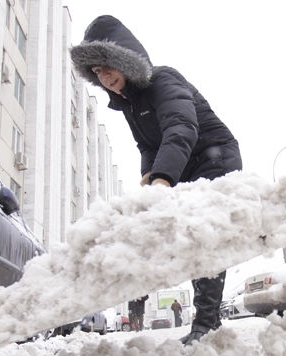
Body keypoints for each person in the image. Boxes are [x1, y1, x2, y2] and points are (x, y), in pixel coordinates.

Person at [71, 15, 242, 345]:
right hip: (184, 165)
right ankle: (206, 318)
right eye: (96, 73)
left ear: (124, 59)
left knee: (201, 237)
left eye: (106, 66)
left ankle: (208, 323)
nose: (103, 77)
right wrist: (147, 177)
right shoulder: (130, 104)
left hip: (213, 157)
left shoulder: (163, 79)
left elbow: (181, 126)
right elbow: (147, 145)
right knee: (183, 235)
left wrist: (162, 179)